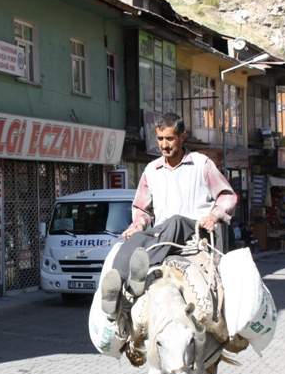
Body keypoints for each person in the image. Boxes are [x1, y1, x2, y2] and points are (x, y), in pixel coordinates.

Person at [99, 112, 238, 315]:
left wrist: (213, 216)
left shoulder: (201, 164)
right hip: (163, 236)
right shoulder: (151, 170)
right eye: (160, 139)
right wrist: (137, 226)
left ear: (182, 137)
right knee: (136, 237)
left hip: (196, 232)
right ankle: (117, 283)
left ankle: (144, 263)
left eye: (170, 138)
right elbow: (142, 210)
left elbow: (227, 196)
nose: (164, 145)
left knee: (175, 221)